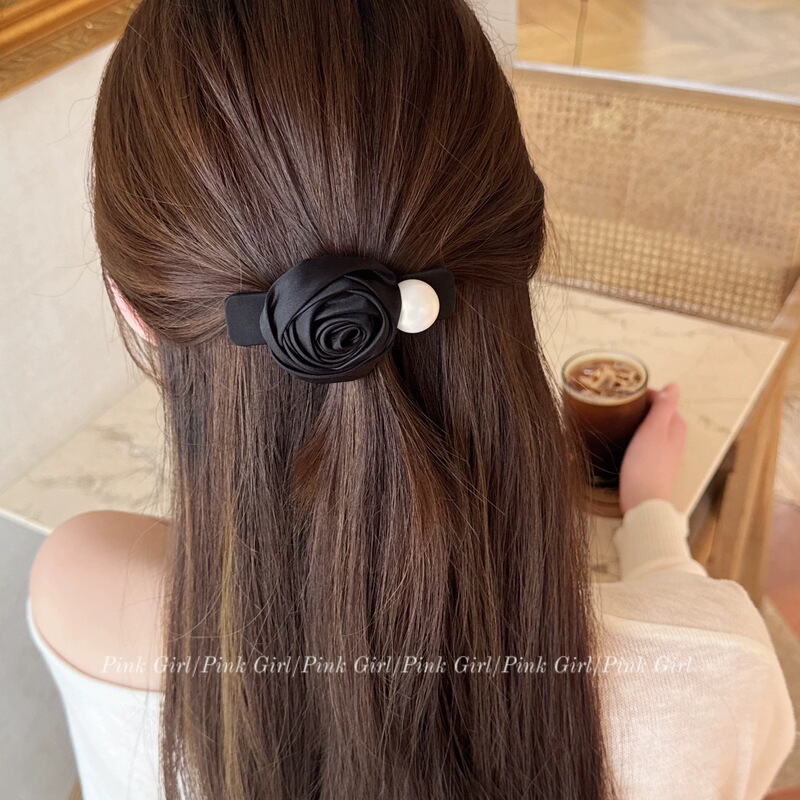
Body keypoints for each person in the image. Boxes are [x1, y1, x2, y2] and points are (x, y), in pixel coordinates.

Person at [27, 1, 795, 798]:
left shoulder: (79, 591)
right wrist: (653, 521)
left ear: (133, 310)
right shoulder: (713, 676)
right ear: (523, 240)